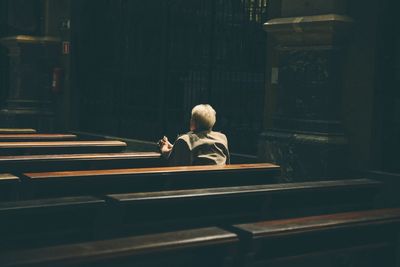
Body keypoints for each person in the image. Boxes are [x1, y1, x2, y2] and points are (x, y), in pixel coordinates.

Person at [158, 104, 230, 166]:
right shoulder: (222, 137)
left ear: (194, 122)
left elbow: (175, 162)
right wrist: (174, 147)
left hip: (195, 181)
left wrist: (163, 148)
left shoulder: (185, 140)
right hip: (220, 179)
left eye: (192, 118)